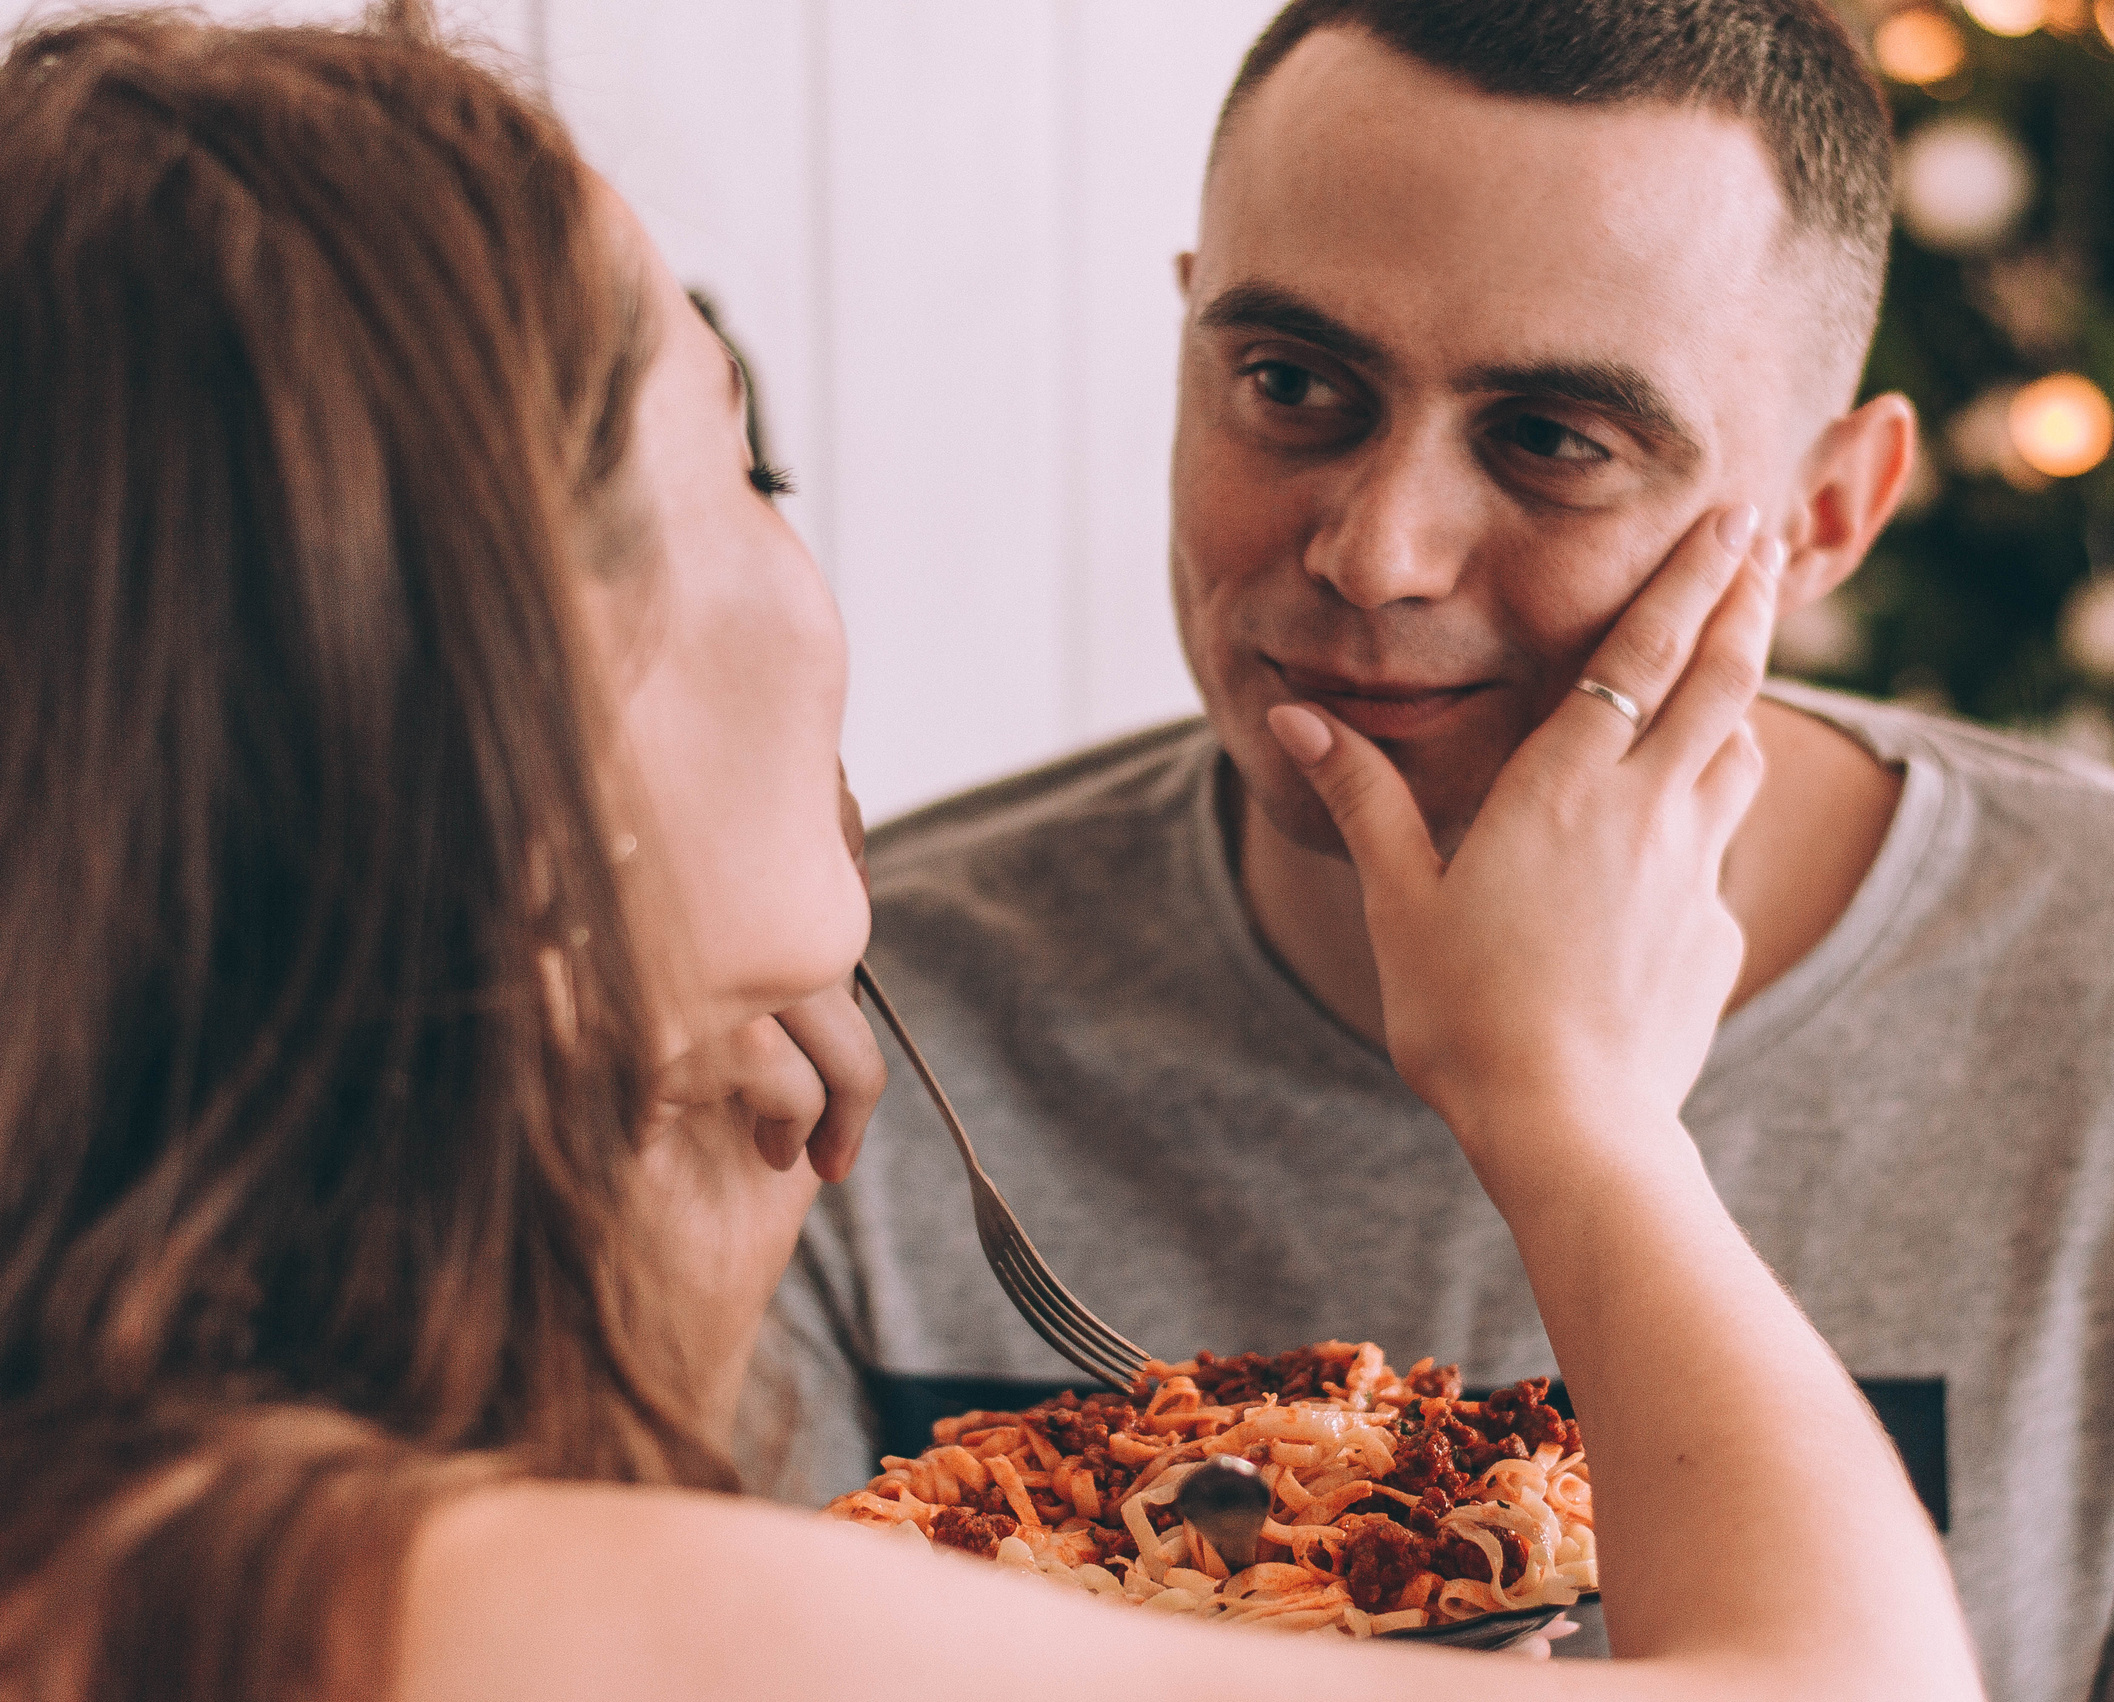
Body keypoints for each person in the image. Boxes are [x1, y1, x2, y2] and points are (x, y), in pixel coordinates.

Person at [0, 10, 1984, 1700]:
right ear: (521, 685)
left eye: (1548, 435)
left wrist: (645, 1217)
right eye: (747, 470)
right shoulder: (413, 1598)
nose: (1378, 554)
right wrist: (1581, 1113)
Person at [753, 1, 2114, 1695]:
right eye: (1292, 384)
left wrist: (1564, 1101)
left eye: (1553, 440)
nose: (1378, 552)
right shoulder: (852, 1004)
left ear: (1825, 515)